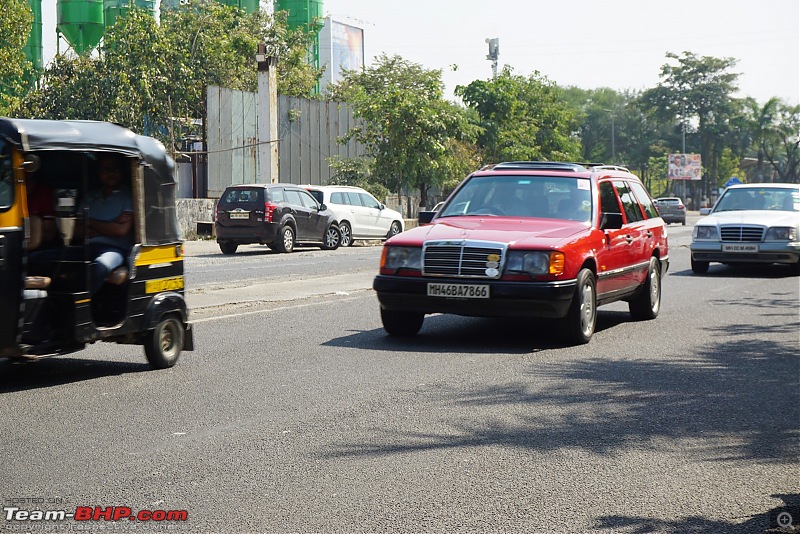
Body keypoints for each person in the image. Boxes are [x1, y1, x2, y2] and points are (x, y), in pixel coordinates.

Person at [81, 154, 134, 296]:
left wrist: (90, 223)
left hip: (114, 250)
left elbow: (121, 231)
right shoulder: (89, 197)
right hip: (86, 246)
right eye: (106, 169)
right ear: (99, 173)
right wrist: (110, 224)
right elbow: (75, 230)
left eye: (114, 169)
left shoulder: (129, 196)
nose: (110, 173)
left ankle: (81, 305)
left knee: (99, 267)